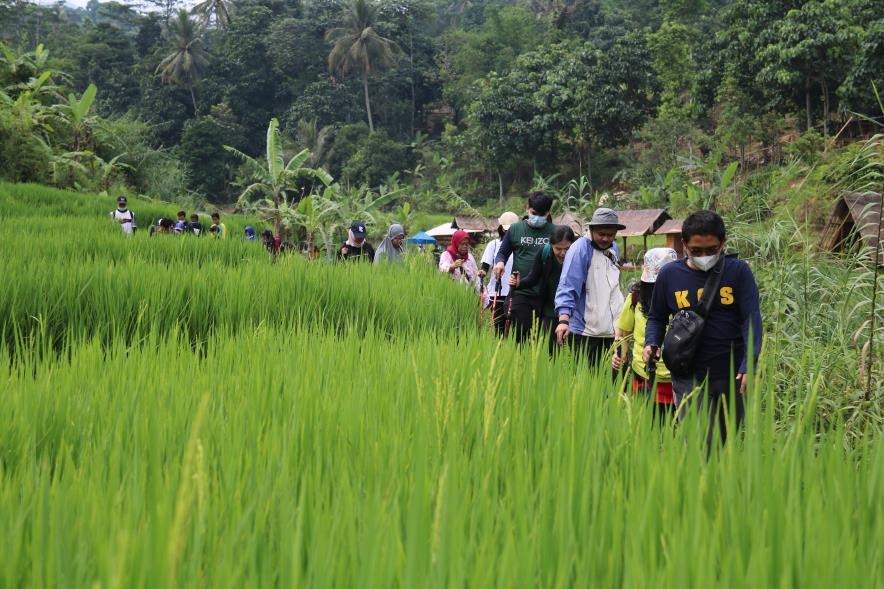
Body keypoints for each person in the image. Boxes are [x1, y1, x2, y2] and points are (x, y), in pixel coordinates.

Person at [643, 210, 763, 457]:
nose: (704, 256)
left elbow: (750, 319)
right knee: (698, 447)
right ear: (684, 245)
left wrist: (748, 363)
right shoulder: (670, 275)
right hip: (688, 375)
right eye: (696, 251)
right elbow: (656, 316)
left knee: (729, 446)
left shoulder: (738, 272)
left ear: (723, 243)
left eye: (712, 249)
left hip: (731, 376)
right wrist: (651, 342)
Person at [612, 248, 678, 423]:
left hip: (679, 379)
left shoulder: (683, 298)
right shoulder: (635, 299)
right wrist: (620, 355)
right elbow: (624, 332)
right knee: (648, 429)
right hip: (645, 375)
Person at [554, 208, 625, 367]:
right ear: (591, 230)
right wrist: (564, 320)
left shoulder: (614, 248)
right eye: (601, 234)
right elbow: (567, 286)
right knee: (586, 383)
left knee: (612, 385)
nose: (606, 238)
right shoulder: (580, 249)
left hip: (613, 332)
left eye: (611, 234)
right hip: (586, 334)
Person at [492, 192, 556, 342]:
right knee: (521, 338)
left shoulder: (555, 232)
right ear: (527, 208)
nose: (538, 217)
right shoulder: (515, 230)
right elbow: (502, 253)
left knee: (544, 341)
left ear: (548, 213)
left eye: (542, 214)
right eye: (534, 213)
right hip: (521, 292)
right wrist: (500, 263)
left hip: (547, 295)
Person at [509, 225, 576, 351]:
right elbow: (533, 278)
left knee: (572, 352)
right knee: (548, 351)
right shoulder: (544, 253)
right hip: (549, 309)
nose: (563, 253)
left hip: (573, 312)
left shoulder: (578, 256)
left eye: (567, 249)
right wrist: (519, 283)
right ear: (551, 245)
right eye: (558, 249)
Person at [480, 211, 519, 336]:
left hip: (515, 291)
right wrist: (483, 272)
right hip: (498, 292)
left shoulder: (519, 245)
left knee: (513, 328)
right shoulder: (494, 244)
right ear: (501, 228)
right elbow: (485, 265)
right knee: (498, 327)